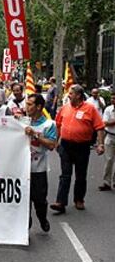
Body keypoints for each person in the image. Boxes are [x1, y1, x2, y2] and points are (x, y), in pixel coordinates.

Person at [50, 85, 105, 214]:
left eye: (71, 93)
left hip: (82, 147)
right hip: (65, 146)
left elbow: (100, 127)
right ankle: (60, 202)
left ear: (78, 95)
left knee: (81, 175)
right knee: (65, 175)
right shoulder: (65, 108)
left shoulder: (90, 109)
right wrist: (56, 140)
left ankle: (79, 199)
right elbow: (58, 124)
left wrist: (100, 144)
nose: (68, 95)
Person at [24, 93, 57, 232]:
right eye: (27, 103)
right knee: (24, 200)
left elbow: (51, 144)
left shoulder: (49, 124)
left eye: (30, 104)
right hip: (22, 169)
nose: (27, 107)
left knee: (39, 200)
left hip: (38, 169)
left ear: (39, 107)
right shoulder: (22, 121)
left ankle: (42, 218)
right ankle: (26, 223)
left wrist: (35, 135)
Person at [98, 92, 115, 191]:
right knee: (109, 160)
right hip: (110, 136)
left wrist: (111, 122)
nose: (113, 100)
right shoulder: (108, 109)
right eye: (112, 99)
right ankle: (106, 182)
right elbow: (104, 123)